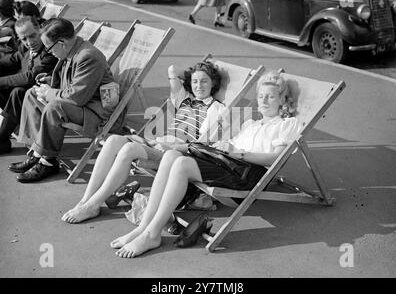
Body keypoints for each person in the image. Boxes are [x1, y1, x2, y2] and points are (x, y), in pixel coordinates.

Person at [111, 70, 301, 258]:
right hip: (229, 164)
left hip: (249, 175)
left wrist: (240, 154)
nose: (264, 100)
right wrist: (222, 146)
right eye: (261, 96)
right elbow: (229, 148)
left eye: (270, 97)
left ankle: (152, 234)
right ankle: (145, 227)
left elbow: (276, 158)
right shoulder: (250, 124)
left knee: (182, 165)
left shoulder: (286, 124)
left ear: (283, 100)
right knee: (171, 155)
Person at [61, 61, 226, 224]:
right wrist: (194, 73)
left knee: (129, 149)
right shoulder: (184, 99)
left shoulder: (216, 108)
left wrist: (170, 146)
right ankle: (87, 199)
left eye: (204, 81)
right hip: (159, 144)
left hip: (176, 153)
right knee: (113, 140)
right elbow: (172, 69)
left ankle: (93, 205)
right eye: (195, 82)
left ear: (214, 84)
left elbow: (201, 146)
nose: (199, 86)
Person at [8, 17, 114, 183]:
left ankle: (48, 162)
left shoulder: (88, 57)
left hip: (96, 114)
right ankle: (37, 153)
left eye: (50, 49)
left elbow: (76, 97)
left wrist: (50, 93)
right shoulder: (73, 50)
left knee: (55, 108)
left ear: (62, 43)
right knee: (31, 94)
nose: (49, 53)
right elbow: (73, 82)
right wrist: (50, 80)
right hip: (83, 105)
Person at [0, 16, 58, 154]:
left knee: (18, 92)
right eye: (24, 39)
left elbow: (30, 78)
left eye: (32, 36)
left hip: (44, 98)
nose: (29, 42)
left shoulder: (50, 50)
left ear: (39, 29)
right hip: (24, 99)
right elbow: (8, 61)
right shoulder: (25, 48)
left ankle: (1, 138)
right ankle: (3, 138)